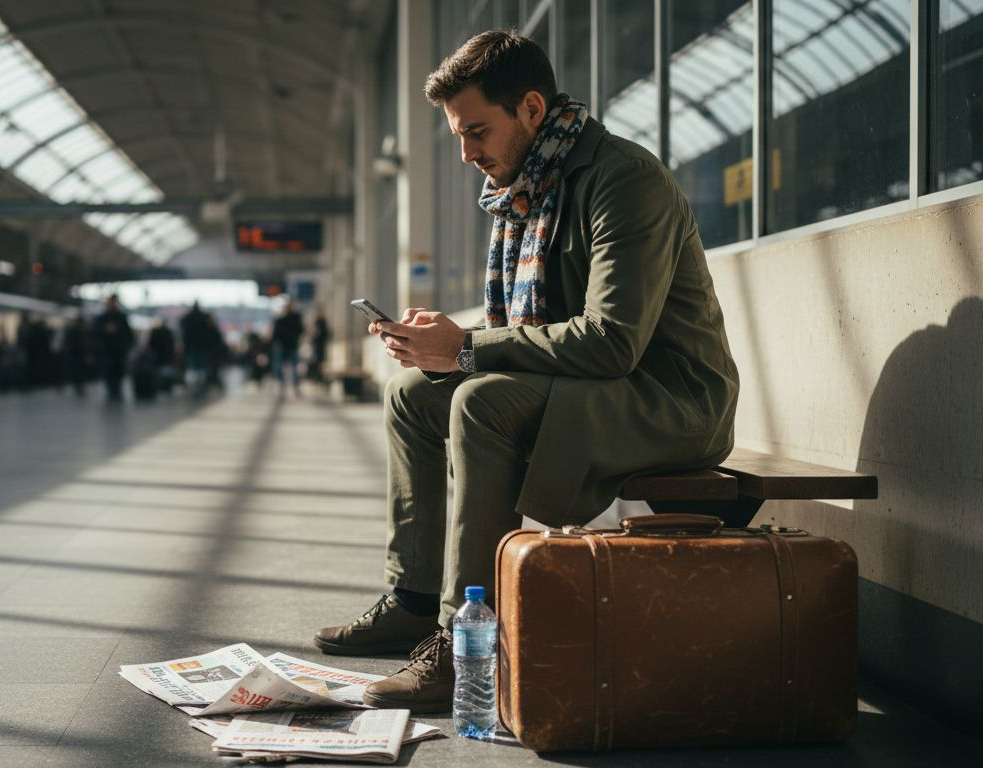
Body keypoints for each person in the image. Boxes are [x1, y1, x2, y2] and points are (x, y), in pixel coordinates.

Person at [313, 31, 739, 713]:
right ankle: (417, 599)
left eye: (477, 131)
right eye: (457, 135)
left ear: (533, 109)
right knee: (411, 395)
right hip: (596, 387)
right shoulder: (530, 189)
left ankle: (463, 643)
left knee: (480, 401)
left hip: (670, 401)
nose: (466, 153)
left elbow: (613, 342)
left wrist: (471, 349)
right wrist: (448, 347)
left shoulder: (624, 181)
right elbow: (540, 333)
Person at [94, 294, 135, 402]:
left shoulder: (121, 317)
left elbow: (128, 333)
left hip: (118, 350)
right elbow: (95, 333)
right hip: (107, 350)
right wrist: (105, 330)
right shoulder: (102, 318)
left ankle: (116, 390)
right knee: (108, 371)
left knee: (118, 371)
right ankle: (111, 390)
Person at [270, 302, 305, 394]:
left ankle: (295, 384)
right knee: (279, 366)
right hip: (283, 346)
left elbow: (301, 330)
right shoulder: (281, 320)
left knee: (294, 367)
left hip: (292, 346)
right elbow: (275, 334)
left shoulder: (295, 319)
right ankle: (283, 383)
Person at [63, 311, 91, 397]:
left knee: (77, 370)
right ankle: (79, 386)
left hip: (76, 354)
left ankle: (78, 385)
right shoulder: (81, 330)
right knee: (79, 371)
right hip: (78, 353)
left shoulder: (75, 330)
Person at [147, 317, 177, 393]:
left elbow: (151, 344)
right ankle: (167, 386)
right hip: (166, 355)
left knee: (159, 371)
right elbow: (172, 344)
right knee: (167, 371)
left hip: (157, 355)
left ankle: (160, 386)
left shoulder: (155, 331)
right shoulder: (168, 332)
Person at [309, 306, 330, 384]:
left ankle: (319, 377)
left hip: (321, 344)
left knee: (321, 361)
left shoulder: (323, 321)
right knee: (318, 361)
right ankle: (317, 377)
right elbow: (316, 333)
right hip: (318, 345)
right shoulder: (318, 321)